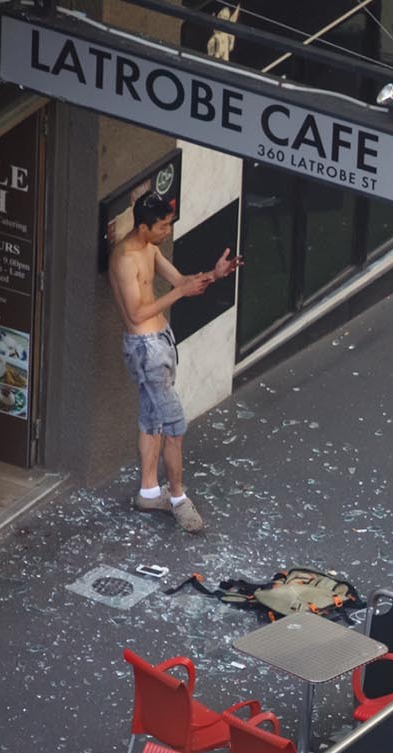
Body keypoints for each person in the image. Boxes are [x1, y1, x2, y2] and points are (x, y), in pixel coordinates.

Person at [110, 192, 242, 534]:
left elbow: (182, 283)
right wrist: (179, 293)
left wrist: (214, 274)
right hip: (146, 349)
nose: (167, 231)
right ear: (143, 227)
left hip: (160, 342)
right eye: (163, 226)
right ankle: (178, 498)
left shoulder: (149, 248)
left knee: (152, 419)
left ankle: (149, 492)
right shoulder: (124, 259)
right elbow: (136, 313)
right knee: (175, 427)